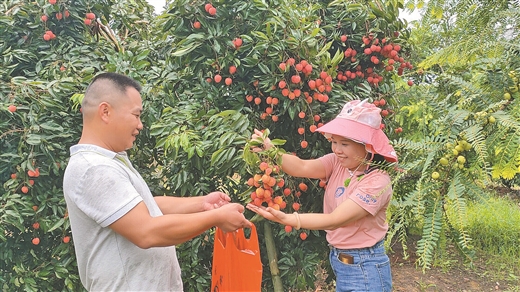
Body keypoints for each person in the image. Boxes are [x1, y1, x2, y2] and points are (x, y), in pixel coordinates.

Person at [63, 72, 252, 291]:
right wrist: (215, 217)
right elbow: (146, 231)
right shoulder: (94, 168)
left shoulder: (109, 161)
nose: (140, 125)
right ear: (105, 112)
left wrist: (201, 205)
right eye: (136, 115)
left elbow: (145, 207)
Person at [246, 99, 398, 292]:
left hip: (365, 268)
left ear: (367, 146)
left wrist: (290, 219)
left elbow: (335, 220)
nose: (337, 149)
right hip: (342, 262)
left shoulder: (377, 181)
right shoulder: (337, 163)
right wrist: (270, 150)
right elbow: (301, 166)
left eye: (344, 144)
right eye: (334, 142)